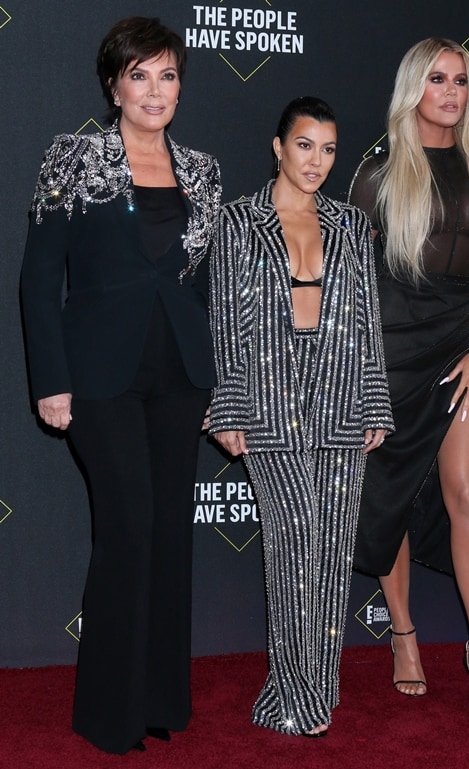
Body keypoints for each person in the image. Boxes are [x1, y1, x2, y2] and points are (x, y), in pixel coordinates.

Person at [20, 17, 221, 754]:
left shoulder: (202, 170)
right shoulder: (72, 158)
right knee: (129, 528)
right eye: (140, 74)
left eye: (167, 74)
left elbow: (202, 289)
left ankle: (160, 698)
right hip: (99, 374)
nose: (155, 89)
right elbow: (41, 277)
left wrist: (215, 383)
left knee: (169, 535)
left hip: (179, 376)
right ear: (114, 84)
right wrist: (52, 379)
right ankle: (108, 711)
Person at [209, 96, 394, 737]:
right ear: (278, 146)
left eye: (329, 148)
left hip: (342, 394)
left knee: (333, 548)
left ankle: (314, 683)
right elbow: (226, 324)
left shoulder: (349, 224)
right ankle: (296, 694)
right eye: (305, 145)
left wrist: (374, 398)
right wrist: (230, 404)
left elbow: (367, 319)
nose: (317, 160)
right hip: (269, 399)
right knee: (295, 543)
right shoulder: (237, 222)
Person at [348, 38, 469, 717]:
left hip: (458, 349)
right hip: (388, 356)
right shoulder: (377, 171)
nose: (451, 92)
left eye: (462, 81)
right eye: (438, 79)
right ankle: (405, 638)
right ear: (414, 86)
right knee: (386, 499)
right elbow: (351, 280)